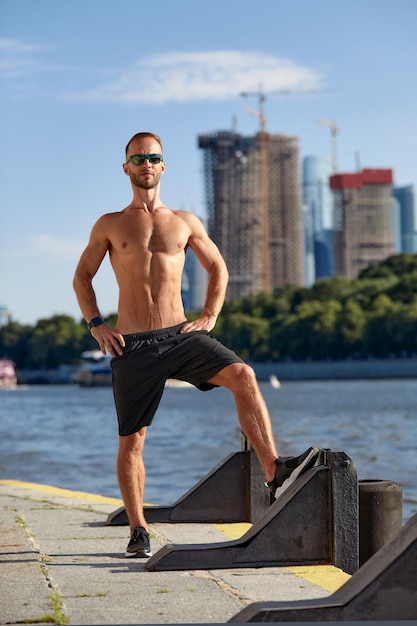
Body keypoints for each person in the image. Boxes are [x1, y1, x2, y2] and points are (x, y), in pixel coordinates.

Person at [73, 131, 318, 558]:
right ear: (126, 167)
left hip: (181, 335)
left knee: (243, 375)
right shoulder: (109, 224)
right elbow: (82, 277)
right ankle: (138, 529)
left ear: (163, 165)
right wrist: (96, 325)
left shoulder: (185, 222)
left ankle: (274, 472)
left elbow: (218, 267)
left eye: (153, 157)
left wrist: (209, 317)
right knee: (133, 440)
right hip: (132, 345)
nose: (146, 164)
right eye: (137, 158)